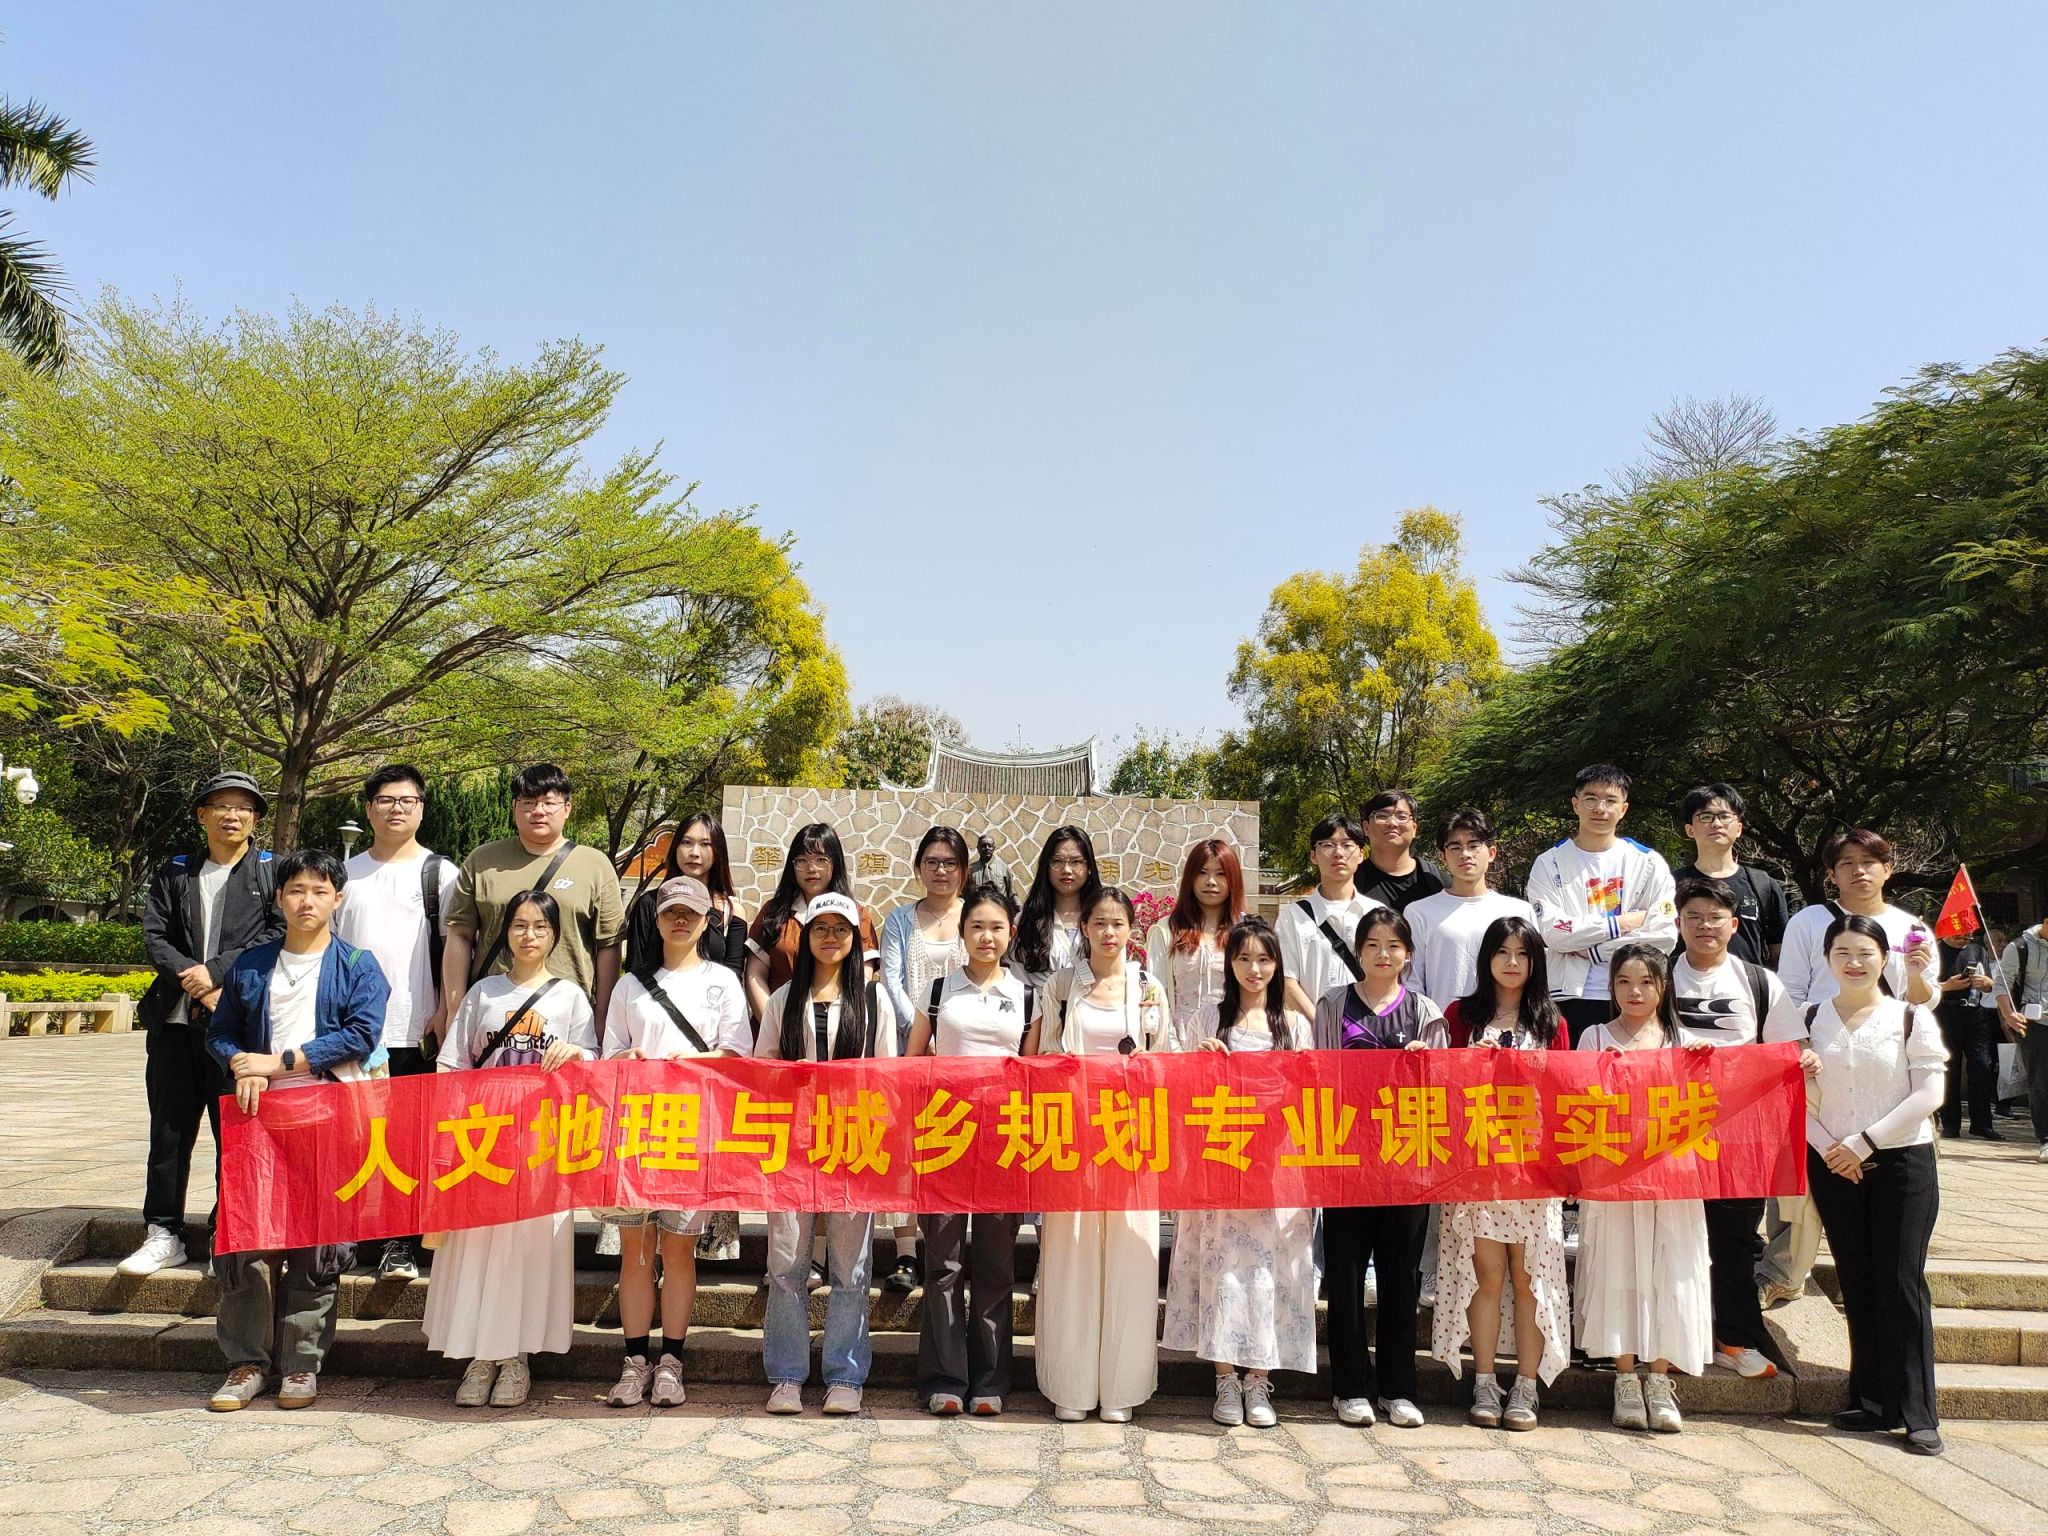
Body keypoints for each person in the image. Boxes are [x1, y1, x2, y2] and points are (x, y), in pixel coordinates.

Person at [202, 849, 387, 1412]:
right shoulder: (252, 964)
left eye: (320, 891)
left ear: (338, 898)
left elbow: (360, 1033)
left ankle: (302, 1362)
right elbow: (220, 1032)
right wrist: (241, 1065)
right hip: (257, 1121)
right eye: (297, 890)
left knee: (317, 1242)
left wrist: (278, 1062)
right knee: (248, 1237)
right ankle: (246, 1363)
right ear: (280, 898)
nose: (308, 901)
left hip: (327, 1117)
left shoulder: (358, 965)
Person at [1765, 913, 1947, 1456]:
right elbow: (1790, 1094)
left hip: (1901, 1161)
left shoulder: (1910, 1016)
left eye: (1865, 953)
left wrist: (1864, 1143)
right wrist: (1831, 1149)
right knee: (1857, 1278)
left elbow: (1929, 1094)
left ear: (1885, 959)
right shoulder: (1808, 1018)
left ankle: (1918, 1412)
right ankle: (1871, 1400)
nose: (1854, 962)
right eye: (1842, 952)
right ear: (1826, 959)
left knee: (1901, 1281)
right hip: (1832, 1163)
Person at [424, 890, 597, 1408]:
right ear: (505, 932)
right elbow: (453, 1063)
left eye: (540, 927)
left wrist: (577, 1052)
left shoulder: (570, 997)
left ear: (555, 936)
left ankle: (517, 1357)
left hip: (541, 1143)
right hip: (483, 1139)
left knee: (529, 1251)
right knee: (478, 1249)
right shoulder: (483, 992)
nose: (528, 935)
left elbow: (594, 1061)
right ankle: (480, 1357)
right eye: (519, 925)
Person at [1761, 829, 1938, 1307]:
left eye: (1869, 861)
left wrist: (1916, 974)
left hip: (1887, 1065)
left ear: (1888, 868)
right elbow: (1789, 992)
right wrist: (1800, 1052)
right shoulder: (1809, 921)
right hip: (1819, 1059)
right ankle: (1782, 1272)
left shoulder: (1911, 927)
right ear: (1831, 873)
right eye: (1847, 863)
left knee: (1889, 1191)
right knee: (1800, 1184)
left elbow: (1924, 1003)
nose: (1859, 871)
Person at [122, 771, 284, 1278]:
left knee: (234, 1131)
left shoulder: (270, 872)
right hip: (174, 1023)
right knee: (169, 1130)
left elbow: (276, 934)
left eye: (243, 808)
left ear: (255, 819)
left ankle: (225, 1232)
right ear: (202, 815)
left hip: (236, 1026)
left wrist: (215, 973)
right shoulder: (176, 871)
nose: (232, 816)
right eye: (221, 806)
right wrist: (193, 980)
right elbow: (155, 935)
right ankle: (163, 1231)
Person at [598, 876, 751, 1409]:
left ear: (708, 921)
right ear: (657, 920)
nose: (680, 921)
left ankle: (671, 1361)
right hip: (636, 1130)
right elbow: (610, 1055)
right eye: (671, 912)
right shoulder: (629, 985)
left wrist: (692, 1062)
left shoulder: (724, 981)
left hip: (694, 1130)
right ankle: (633, 1361)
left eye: (691, 913)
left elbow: (737, 1054)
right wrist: (629, 1059)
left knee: (680, 1250)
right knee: (636, 1250)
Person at [1162, 915, 1317, 1429]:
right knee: (1223, 1269)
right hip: (1221, 1162)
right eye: (1244, 958)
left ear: (1277, 965)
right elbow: (1182, 1093)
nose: (1254, 969)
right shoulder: (1206, 1020)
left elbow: (1309, 1093)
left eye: (1264, 959)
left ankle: (1259, 1377)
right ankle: (1225, 1377)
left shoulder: (1294, 1027)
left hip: (1278, 1167)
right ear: (1229, 963)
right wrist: (1201, 1063)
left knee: (1270, 1272)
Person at [757, 892, 898, 1415]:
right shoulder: (783, 999)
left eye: (842, 929)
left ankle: (845, 1374)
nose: (831, 937)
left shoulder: (874, 999)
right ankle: (787, 1374)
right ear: (807, 937)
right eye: (821, 928)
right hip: (792, 1148)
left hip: (853, 1146)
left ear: (856, 940)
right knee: (786, 1264)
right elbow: (763, 1069)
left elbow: (887, 1077)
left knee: (850, 1267)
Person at [1036, 887, 1173, 1423]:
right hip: (1072, 1139)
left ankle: (1121, 1388)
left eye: (1118, 923)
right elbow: (1045, 1055)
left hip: (1130, 1140)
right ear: (1084, 928)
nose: (1109, 932)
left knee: (1129, 1257)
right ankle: (1071, 1386)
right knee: (1070, 1253)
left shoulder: (1149, 988)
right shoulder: (1061, 986)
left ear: (1132, 930)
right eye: (1099, 922)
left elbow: (1166, 1059)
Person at [1431, 915, 1570, 1432]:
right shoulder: (1460, 1016)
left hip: (1532, 1170)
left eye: (1522, 954)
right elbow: (1440, 1087)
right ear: (1486, 958)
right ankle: (1485, 1382)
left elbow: (1564, 1097)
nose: (1512, 963)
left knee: (1529, 1277)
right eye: (1502, 952)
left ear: (1536, 962)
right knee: (1485, 1277)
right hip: (1476, 1168)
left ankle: (1526, 1387)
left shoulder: (1551, 1022)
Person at [1311, 907, 1447, 1429]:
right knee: (1345, 1276)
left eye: (1393, 945)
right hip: (1348, 1158)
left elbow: (1443, 1092)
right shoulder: (1332, 1004)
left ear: (1407, 954)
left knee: (1400, 1278)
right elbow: (1319, 1078)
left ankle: (1397, 1388)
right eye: (1372, 945)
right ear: (1358, 952)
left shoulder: (1425, 1012)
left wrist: (1424, 1065)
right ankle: (1349, 1387)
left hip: (1406, 1160)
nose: (1383, 954)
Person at [906, 884, 1037, 1415]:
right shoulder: (938, 991)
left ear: (1011, 933)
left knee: (994, 1264)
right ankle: (944, 1378)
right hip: (944, 1137)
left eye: (996, 927)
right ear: (962, 933)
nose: (987, 936)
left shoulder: (1027, 997)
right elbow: (911, 1064)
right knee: (942, 1263)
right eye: (977, 926)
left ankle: (989, 1380)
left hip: (1003, 1141)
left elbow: (1032, 1076)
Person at [1574, 944, 1715, 1434]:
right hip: (1613, 1175)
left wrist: (1701, 1066)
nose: (1634, 992)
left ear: (1663, 986)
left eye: (1645, 982)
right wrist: (1601, 1073)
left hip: (1670, 1180)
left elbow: (1709, 1105)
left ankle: (1659, 1377)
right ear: (1611, 986)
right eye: (1623, 982)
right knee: (1618, 1268)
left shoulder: (1684, 1041)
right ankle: (1625, 1377)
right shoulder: (1593, 1037)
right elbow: (1574, 1102)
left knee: (1669, 1269)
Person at [334, 763, 459, 1282]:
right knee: (349, 1139)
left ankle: (399, 1243)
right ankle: (341, 1239)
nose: (396, 809)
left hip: (414, 1029)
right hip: (349, 1033)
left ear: (422, 809)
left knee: (405, 1141)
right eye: (385, 800)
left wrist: (446, 1010)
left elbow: (456, 948)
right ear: (368, 809)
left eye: (407, 801)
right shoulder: (343, 874)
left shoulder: (441, 874)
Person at [1670, 876, 1787, 1380]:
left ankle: (1735, 1338)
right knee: (1671, 1238)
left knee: (1735, 1239)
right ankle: (1672, 1339)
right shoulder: (1655, 976)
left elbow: (1786, 1049)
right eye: (1693, 917)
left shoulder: (1759, 982)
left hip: (1740, 1135)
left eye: (1715, 918)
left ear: (1734, 925)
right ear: (1677, 924)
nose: (1704, 926)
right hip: (1669, 1132)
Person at [442, 762, 626, 1029]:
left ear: (567, 809)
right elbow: (459, 934)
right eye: (528, 802)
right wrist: (454, 1011)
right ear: (514, 807)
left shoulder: (594, 865)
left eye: (549, 803)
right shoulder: (482, 860)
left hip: (569, 1015)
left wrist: (603, 1018)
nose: (539, 811)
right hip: (491, 1010)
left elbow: (608, 944)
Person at [876, 827, 971, 1291]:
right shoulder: (899, 919)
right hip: (909, 1052)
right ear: (918, 868)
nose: (940, 870)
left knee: (954, 1146)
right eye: (931, 861)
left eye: (949, 862)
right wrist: (922, 1033)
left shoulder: (976, 915)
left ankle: (949, 1251)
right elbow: (891, 982)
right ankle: (906, 1253)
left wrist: (948, 1036)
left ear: (964, 870)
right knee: (907, 1151)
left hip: (963, 1055)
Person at [1526, 764, 1678, 1046]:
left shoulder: (1648, 863)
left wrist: (1593, 950)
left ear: (1623, 809)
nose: (1600, 808)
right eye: (1591, 799)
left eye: (1610, 800)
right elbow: (1553, 934)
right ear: (1575, 804)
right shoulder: (1550, 863)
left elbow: (1664, 937)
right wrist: (1621, 923)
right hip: (1570, 996)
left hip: (1636, 998)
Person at [745, 823, 880, 1024]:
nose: (811, 868)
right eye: (802, 860)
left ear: (836, 862)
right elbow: (754, 974)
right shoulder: (774, 912)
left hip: (836, 1028)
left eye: (821, 859)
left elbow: (862, 979)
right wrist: (774, 1027)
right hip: (776, 1023)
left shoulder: (856, 914)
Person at [1407, 808, 1536, 1011]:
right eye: (1455, 847)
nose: (1465, 854)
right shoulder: (1418, 913)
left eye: (1474, 845)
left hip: (1508, 1025)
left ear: (1491, 853)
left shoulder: (1519, 911)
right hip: (1442, 1025)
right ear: (1442, 856)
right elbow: (1412, 984)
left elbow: (1535, 977)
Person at [1276, 812, 1383, 1020]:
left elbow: (1389, 978)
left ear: (1361, 854)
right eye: (1327, 845)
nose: (1338, 853)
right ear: (1313, 856)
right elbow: (1287, 981)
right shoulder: (1293, 917)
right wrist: (1322, 1026)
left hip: (1367, 1031)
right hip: (1309, 1031)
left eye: (1347, 845)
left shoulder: (1377, 914)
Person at [1143, 838, 1246, 1052]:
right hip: (1178, 1048)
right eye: (1202, 872)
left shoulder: (1246, 931)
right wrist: (1176, 1052)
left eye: (1221, 874)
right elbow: (1157, 997)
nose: (1211, 881)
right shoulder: (1166, 931)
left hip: (1235, 1046)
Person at [1674, 785, 1790, 968]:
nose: (1716, 824)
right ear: (1690, 830)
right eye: (1706, 817)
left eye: (1725, 816)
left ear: (1739, 828)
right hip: (1684, 983)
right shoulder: (1670, 884)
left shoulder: (1763, 885)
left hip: (1748, 984)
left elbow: (1780, 952)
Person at [623, 813, 750, 978]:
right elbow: (635, 969)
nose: (694, 853)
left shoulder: (731, 912)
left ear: (718, 851)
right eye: (686, 842)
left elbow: (733, 976)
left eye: (705, 844)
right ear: (675, 848)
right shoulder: (649, 904)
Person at [1012, 825, 1102, 989]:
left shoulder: (1103, 918)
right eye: (1057, 861)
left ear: (1089, 867)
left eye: (1076, 862)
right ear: (1046, 867)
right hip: (1038, 1003)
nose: (1066, 870)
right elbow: (1017, 980)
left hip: (1092, 1002)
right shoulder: (1026, 920)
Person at [1936, 929, 2001, 1141]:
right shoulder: (1935, 949)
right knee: (1950, 1069)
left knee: (1982, 1066)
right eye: (1959, 936)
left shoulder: (1977, 950)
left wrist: (1985, 982)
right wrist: (1947, 986)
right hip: (1946, 1012)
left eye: (1968, 936)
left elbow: (1990, 985)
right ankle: (1950, 1122)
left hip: (1975, 1011)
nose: (1964, 940)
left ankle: (1982, 1123)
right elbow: (1922, 986)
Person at [1996, 917, 2048, 1162]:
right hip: (2036, 1024)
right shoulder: (2019, 947)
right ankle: (2045, 1138)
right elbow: (2001, 984)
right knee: (2041, 1082)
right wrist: (2009, 1015)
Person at [1355, 789, 1445, 913]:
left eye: (1402, 817)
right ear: (1366, 828)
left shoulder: (1438, 881)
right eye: (1382, 816)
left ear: (1414, 829)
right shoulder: (1350, 882)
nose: (1392, 823)